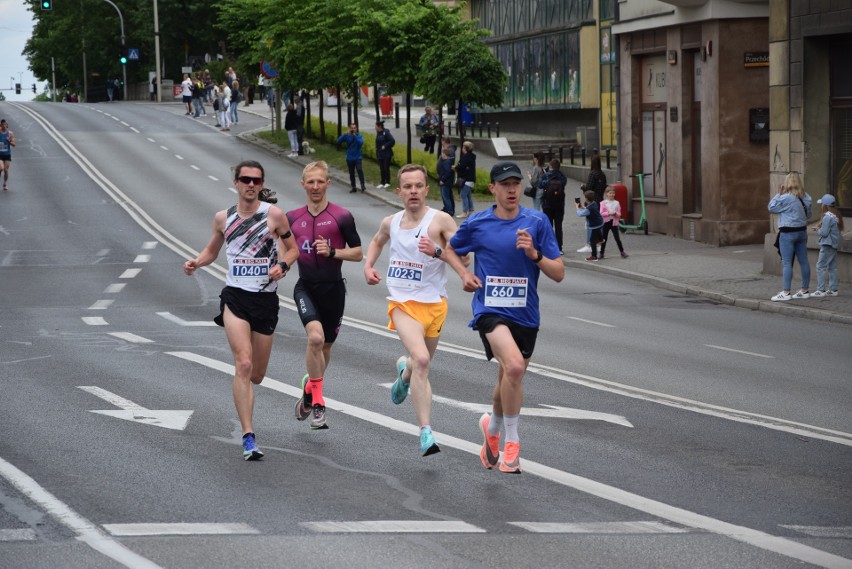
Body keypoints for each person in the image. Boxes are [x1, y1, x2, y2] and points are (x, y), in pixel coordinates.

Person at [441, 161, 564, 473]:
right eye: (504, 184)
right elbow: (449, 250)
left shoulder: (536, 223)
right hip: (489, 310)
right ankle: (512, 444)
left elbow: (559, 273)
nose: (511, 189)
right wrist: (463, 275)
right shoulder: (478, 223)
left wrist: (534, 254)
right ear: (492, 188)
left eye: (516, 184)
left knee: (510, 377)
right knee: (513, 366)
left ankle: (491, 428)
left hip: (526, 315)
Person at [183, 160, 299, 460]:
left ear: (261, 184)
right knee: (243, 365)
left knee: (257, 375)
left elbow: (293, 248)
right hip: (235, 297)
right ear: (235, 183)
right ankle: (248, 437)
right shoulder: (223, 218)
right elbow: (212, 250)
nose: (250, 184)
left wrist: (282, 265)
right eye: (245, 179)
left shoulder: (273, 215)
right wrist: (197, 261)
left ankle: (249, 421)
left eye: (256, 180)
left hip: (265, 299)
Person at [363, 164, 463, 457]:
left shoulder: (440, 221)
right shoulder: (390, 222)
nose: (413, 191)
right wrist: (369, 266)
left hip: (435, 305)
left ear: (426, 190)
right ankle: (425, 433)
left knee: (417, 365)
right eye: (408, 187)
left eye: (418, 185)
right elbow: (377, 241)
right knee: (421, 359)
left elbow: (464, 258)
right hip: (402, 304)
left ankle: (403, 377)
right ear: (399, 191)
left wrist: (436, 251)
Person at [286, 161, 363, 429]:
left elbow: (358, 253)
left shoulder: (342, 216)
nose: (316, 187)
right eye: (311, 182)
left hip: (333, 290)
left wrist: (333, 252)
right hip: (306, 287)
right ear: (303, 184)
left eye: (320, 182)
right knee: (315, 338)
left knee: (325, 346)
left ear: (328, 184)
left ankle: (309, 390)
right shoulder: (292, 217)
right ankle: (318, 404)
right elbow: (278, 242)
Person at [768, 171, 812, 301]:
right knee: (803, 261)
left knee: (787, 263)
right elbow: (809, 216)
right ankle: (805, 290)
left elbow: (771, 207)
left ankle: (786, 292)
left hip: (787, 233)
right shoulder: (807, 197)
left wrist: (778, 194)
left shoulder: (785, 197)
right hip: (802, 232)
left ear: (787, 183)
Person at [811, 194, 843, 297]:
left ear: (825, 205)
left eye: (822, 204)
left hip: (827, 245)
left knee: (820, 267)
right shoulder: (835, 216)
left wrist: (817, 229)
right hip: (834, 245)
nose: (821, 206)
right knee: (832, 267)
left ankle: (821, 290)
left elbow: (824, 233)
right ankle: (833, 289)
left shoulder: (827, 217)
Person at [577, 155, 607, 253]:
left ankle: (589, 244)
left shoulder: (592, 174)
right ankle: (598, 243)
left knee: (589, 223)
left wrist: (582, 186)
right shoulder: (602, 174)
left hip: (592, 201)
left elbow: (589, 188)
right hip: (600, 200)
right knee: (598, 223)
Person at [540, 159, 567, 254]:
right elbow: (564, 184)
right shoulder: (562, 176)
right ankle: (559, 248)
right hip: (559, 204)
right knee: (559, 226)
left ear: (551, 166)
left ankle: (549, 247)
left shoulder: (546, 175)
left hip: (548, 204)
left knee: (549, 226)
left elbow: (540, 185)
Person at [599, 186, 628, 259]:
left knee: (617, 238)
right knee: (604, 238)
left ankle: (622, 252)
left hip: (613, 222)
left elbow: (619, 213)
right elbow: (601, 213)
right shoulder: (603, 203)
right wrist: (609, 213)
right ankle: (601, 253)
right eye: (610, 193)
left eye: (613, 193)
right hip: (606, 222)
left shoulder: (616, 203)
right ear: (606, 194)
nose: (612, 195)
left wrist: (616, 214)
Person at [337, 123, 366, 193]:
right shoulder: (347, 136)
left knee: (359, 170)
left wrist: (355, 136)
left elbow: (360, 143)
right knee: (351, 173)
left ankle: (362, 184)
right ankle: (353, 186)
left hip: (357, 157)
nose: (353, 129)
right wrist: (344, 134)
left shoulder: (359, 136)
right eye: (352, 128)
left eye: (354, 128)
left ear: (356, 129)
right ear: (350, 128)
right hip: (350, 157)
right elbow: (338, 141)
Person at [576, 190, 604, 261]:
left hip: (594, 225)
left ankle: (594, 256)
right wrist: (583, 207)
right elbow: (588, 210)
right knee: (598, 231)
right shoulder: (594, 203)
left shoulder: (589, 208)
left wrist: (577, 208)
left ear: (586, 198)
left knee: (592, 241)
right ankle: (601, 239)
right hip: (600, 222)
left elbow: (581, 214)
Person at [453, 141, 476, 218]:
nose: (462, 148)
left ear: (465, 148)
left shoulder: (466, 157)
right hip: (470, 178)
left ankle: (465, 211)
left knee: (463, 195)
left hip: (467, 179)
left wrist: (455, 167)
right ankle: (471, 210)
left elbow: (462, 166)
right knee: (468, 195)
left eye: (463, 147)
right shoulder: (470, 156)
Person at [375, 121, 395, 188]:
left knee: (386, 168)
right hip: (380, 154)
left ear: (379, 126)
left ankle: (388, 182)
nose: (375, 128)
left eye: (376, 126)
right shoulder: (378, 133)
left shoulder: (386, 133)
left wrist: (385, 146)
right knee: (382, 168)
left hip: (387, 153)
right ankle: (382, 182)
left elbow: (392, 141)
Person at [437, 147, 456, 216]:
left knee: (446, 196)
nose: (441, 155)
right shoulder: (447, 161)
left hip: (446, 182)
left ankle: (449, 210)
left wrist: (442, 180)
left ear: (445, 154)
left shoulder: (447, 162)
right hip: (447, 181)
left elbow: (447, 172)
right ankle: (448, 208)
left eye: (442, 153)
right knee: (448, 195)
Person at [0, 119, 16, 191]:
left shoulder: (10, 134)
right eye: (2, 124)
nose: (4, 126)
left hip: (7, 154)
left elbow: (14, 145)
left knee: (6, 170)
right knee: (1, 168)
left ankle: (4, 184)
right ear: (0, 125)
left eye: (5, 124)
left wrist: (9, 141)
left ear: (7, 125)